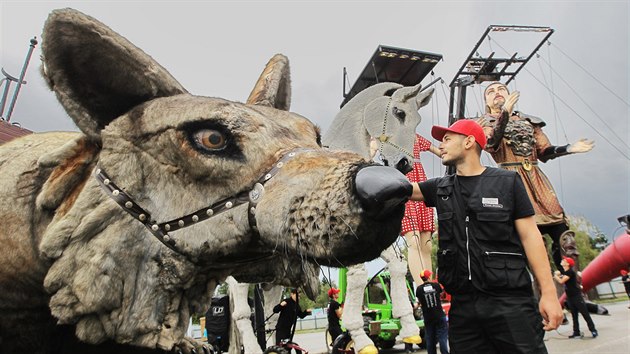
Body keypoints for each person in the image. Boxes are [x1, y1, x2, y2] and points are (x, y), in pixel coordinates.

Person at [408, 119, 563, 353]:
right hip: (464, 310)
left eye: (448, 139)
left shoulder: (507, 182)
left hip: (510, 304)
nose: (441, 145)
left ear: (469, 141)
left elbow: (532, 238)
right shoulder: (441, 187)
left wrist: (549, 294)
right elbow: (405, 190)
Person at [478, 82, 594, 270]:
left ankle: (574, 294)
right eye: (490, 92)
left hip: (538, 180)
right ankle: (544, 294)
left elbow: (544, 151)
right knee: (534, 245)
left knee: (566, 240)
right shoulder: (484, 122)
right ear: (486, 101)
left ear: (509, 94)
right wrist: (504, 113)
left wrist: (568, 148)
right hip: (512, 182)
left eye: (501, 89)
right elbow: (491, 143)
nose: (496, 93)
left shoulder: (530, 121)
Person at [402, 134, 441, 285]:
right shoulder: (389, 134)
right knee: (414, 240)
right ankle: (421, 287)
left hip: (421, 183)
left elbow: (437, 150)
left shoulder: (416, 136)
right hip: (405, 182)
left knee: (427, 243)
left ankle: (429, 284)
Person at [553, 257, 598, 338]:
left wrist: (555, 275)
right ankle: (576, 332)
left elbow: (561, 281)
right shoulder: (565, 272)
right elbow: (561, 275)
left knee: (585, 313)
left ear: (568, 264)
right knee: (574, 315)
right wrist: (558, 274)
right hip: (570, 297)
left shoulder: (570, 272)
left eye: (564, 260)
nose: (562, 261)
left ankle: (593, 330)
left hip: (576, 296)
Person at [415, 270, 449, 354]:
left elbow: (420, 302)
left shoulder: (419, 289)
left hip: (428, 317)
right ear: (429, 277)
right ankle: (444, 352)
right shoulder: (436, 286)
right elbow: (441, 295)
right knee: (442, 336)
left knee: (430, 338)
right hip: (439, 315)